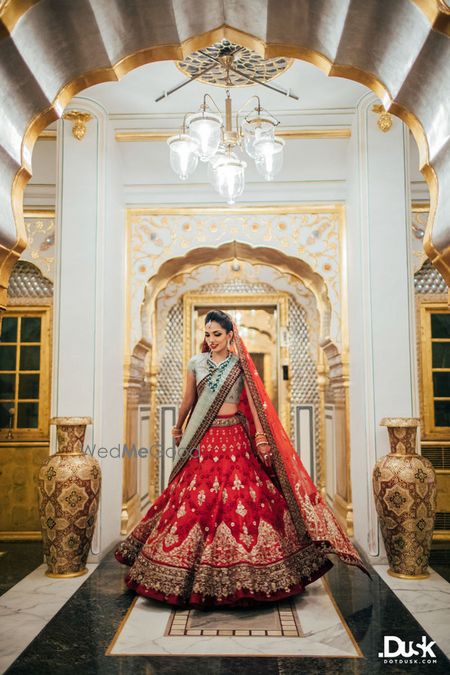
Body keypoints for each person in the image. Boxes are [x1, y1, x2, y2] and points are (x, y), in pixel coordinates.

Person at [115, 309, 369, 609]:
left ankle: (253, 576)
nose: (211, 340)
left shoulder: (240, 365)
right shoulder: (196, 363)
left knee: (244, 498)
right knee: (195, 500)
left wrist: (261, 438)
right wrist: (179, 425)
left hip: (236, 437)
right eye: (207, 334)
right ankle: (180, 574)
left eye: (217, 334)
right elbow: (188, 401)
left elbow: (255, 405)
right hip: (205, 438)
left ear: (230, 334)